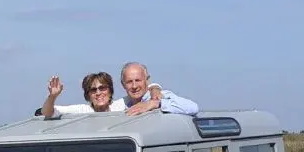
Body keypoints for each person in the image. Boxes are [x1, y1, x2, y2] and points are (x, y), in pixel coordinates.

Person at [39, 62, 198, 119]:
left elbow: (193, 108)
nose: (99, 93)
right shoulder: (86, 110)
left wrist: (155, 103)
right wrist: (53, 96)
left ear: (110, 90)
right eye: (93, 90)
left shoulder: (153, 97)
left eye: (102, 88)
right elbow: (48, 112)